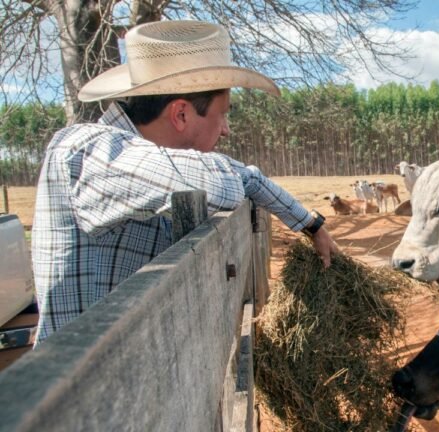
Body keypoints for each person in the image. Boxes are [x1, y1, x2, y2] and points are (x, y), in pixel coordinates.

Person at [31, 20, 338, 345]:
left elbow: (244, 177)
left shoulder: (147, 162)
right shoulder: (87, 149)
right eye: (223, 113)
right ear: (180, 114)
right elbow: (219, 184)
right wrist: (241, 179)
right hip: (88, 388)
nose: (226, 130)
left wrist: (310, 224)